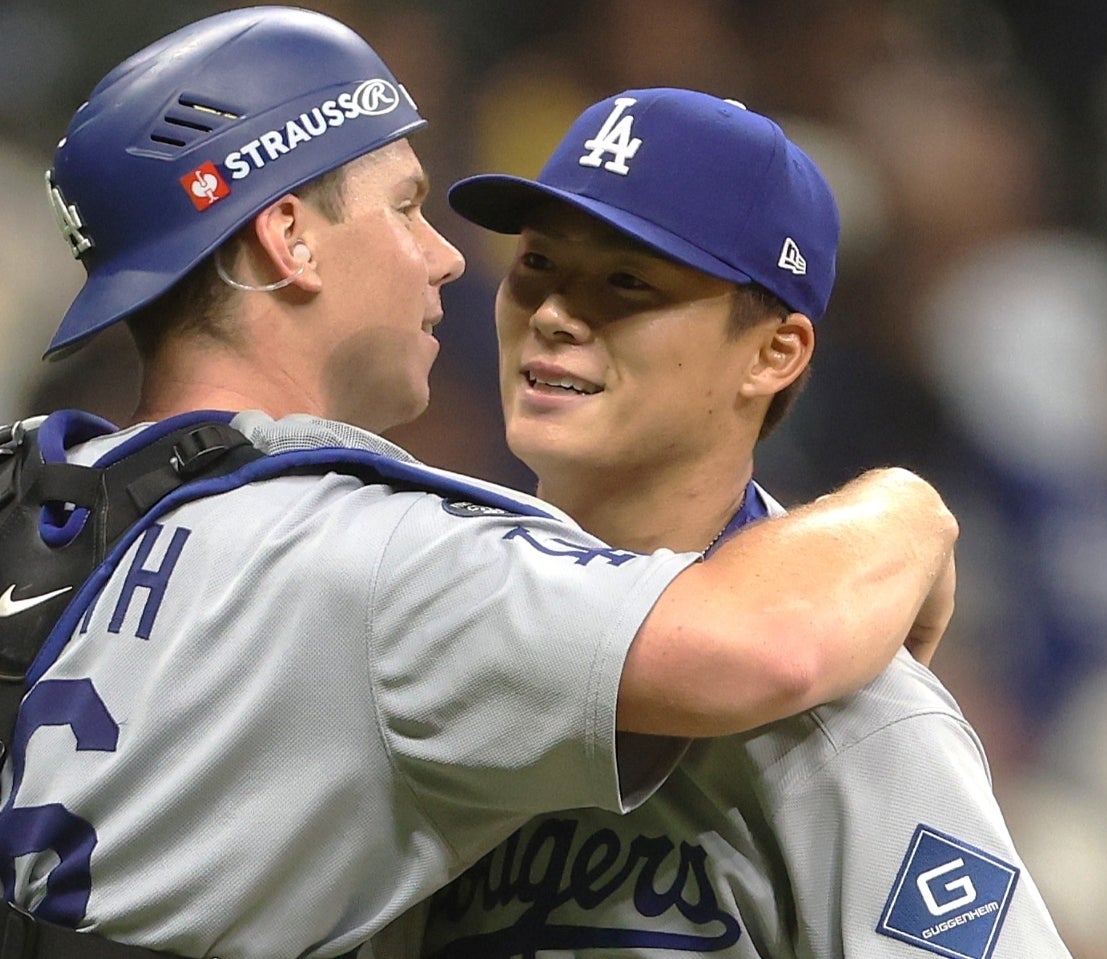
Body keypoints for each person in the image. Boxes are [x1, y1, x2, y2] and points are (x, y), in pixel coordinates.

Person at [0, 11, 958, 959]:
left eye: (626, 283)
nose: (447, 262)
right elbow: (771, 640)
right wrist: (910, 504)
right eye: (408, 207)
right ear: (286, 235)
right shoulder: (398, 565)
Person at [398, 89, 1068, 958]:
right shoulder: (420, 617)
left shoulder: (853, 719)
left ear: (774, 352)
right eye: (536, 266)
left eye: (626, 281)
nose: (556, 315)